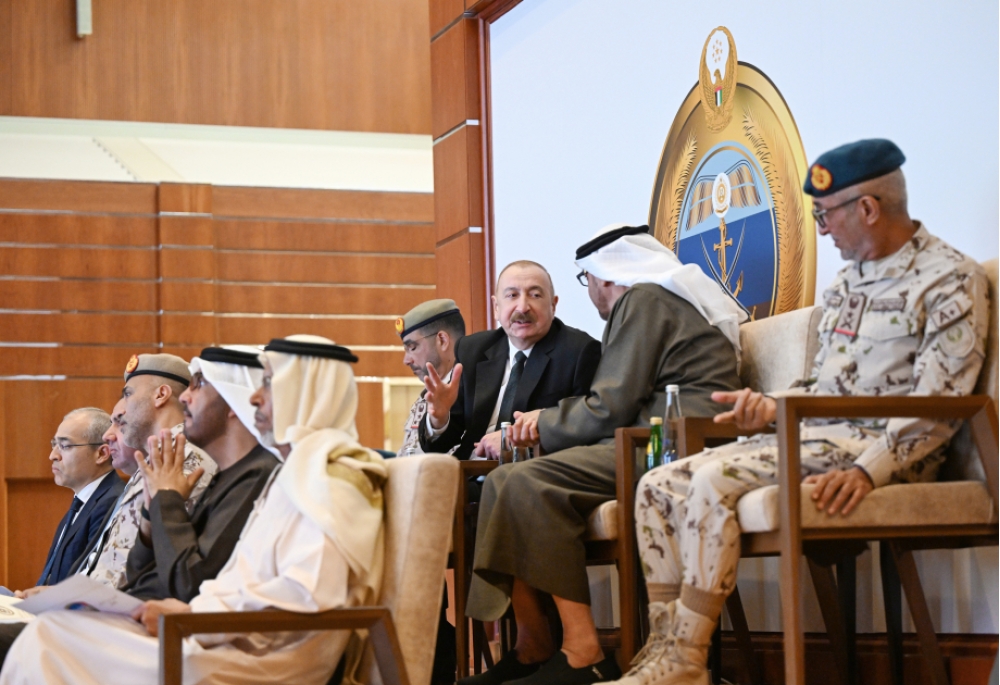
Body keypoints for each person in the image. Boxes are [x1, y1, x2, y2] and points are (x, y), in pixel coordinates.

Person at [614, 139, 989, 685]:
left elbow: (941, 404)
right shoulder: (846, 285)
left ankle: (687, 660)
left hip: (884, 453)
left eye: (825, 215)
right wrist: (768, 408)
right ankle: (664, 650)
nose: (822, 229)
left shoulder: (949, 278)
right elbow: (819, 385)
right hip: (812, 438)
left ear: (868, 208)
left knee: (713, 480)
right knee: (656, 486)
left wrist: (868, 470)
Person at [0, 335, 387, 685]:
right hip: (220, 635)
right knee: (52, 633)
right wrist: (189, 604)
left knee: (49, 640)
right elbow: (235, 580)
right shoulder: (292, 476)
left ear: (307, 394)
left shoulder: (333, 477)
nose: (255, 398)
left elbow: (307, 599)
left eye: (268, 384)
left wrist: (193, 615)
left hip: (264, 658)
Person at [461, 226, 745, 685]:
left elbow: (609, 405)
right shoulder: (656, 298)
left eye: (587, 280)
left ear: (604, 276)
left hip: (671, 444)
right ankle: (533, 645)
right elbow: (618, 403)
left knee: (526, 480)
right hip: (651, 436)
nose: (590, 290)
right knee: (506, 478)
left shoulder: (643, 300)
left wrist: (542, 422)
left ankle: (582, 652)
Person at [122, 346, 280, 601]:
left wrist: (167, 500)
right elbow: (138, 580)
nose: (184, 397)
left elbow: (190, 585)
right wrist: (151, 518)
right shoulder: (225, 476)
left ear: (232, 400)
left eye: (199, 384)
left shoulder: (257, 477)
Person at [420, 260, 602, 460]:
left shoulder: (580, 352)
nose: (522, 307)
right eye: (512, 295)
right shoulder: (472, 349)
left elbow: (585, 430)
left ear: (553, 305)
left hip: (530, 469)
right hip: (470, 470)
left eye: (535, 295)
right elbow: (440, 445)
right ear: (496, 307)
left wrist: (511, 443)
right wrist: (439, 419)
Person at [73, 353, 217, 589]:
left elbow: (144, 561)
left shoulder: (180, 455)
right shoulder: (159, 455)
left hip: (127, 604)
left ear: (161, 395)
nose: (124, 407)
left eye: (128, 394)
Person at [37, 407, 123, 587]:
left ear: (102, 453)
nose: (53, 455)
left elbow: (94, 584)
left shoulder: (112, 503)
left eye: (65, 446)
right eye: (54, 444)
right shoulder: (82, 503)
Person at [397, 298, 466, 456]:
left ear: (442, 340)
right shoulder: (426, 395)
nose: (406, 360)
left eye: (412, 347)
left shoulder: (470, 392)